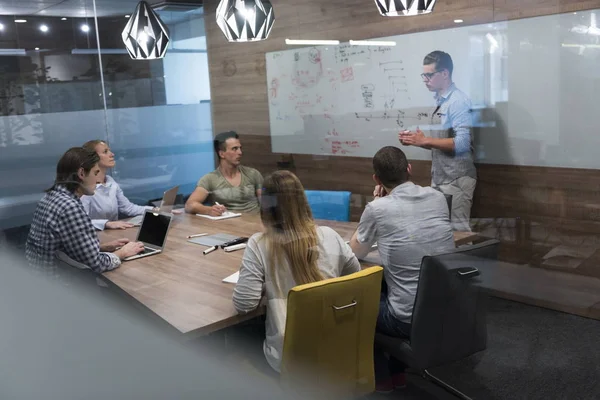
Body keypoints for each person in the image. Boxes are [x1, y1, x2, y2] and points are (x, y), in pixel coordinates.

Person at [349, 146, 455, 393]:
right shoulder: (438, 197)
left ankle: (382, 377)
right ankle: (398, 371)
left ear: (376, 179)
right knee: (389, 286)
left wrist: (376, 202)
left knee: (359, 303)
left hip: (406, 320)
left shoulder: (378, 209)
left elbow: (356, 252)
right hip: (447, 309)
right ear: (409, 169)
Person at [232, 170, 361, 373]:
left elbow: (244, 305)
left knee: (236, 337)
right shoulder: (330, 235)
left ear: (266, 206)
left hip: (290, 358)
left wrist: (269, 286)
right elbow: (355, 276)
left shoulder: (259, 244)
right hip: (335, 345)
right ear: (302, 200)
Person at [26, 147, 144, 273]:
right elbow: (96, 264)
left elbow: (63, 247)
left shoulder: (50, 198)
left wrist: (102, 247)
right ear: (81, 173)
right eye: (95, 173)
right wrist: (122, 253)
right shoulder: (70, 207)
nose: (98, 179)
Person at [399, 50, 477, 231]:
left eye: (429, 74)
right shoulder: (440, 100)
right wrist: (416, 140)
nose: (425, 79)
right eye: (423, 75)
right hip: (441, 177)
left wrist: (425, 141)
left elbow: (463, 144)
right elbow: (441, 144)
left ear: (444, 74)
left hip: (456, 179)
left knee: (459, 235)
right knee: (441, 232)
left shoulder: (457, 101)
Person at [185, 131, 263, 216]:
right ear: (222, 154)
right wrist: (209, 210)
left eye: (240, 148)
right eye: (235, 149)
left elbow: (266, 204)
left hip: (255, 224)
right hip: (227, 225)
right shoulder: (209, 179)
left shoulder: (253, 174)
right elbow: (190, 205)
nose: (240, 152)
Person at [80, 140, 149, 231]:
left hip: (114, 234)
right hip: (96, 237)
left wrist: (157, 210)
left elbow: (128, 208)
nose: (112, 154)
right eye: (105, 152)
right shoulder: (86, 187)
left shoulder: (110, 181)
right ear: (92, 158)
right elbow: (80, 223)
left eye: (109, 150)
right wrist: (107, 224)